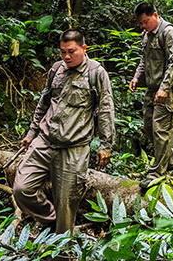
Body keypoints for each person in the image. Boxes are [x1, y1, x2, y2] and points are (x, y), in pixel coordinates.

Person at [13, 30, 115, 235]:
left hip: (74, 148)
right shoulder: (56, 70)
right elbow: (43, 103)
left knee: (66, 202)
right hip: (45, 140)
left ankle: (61, 247)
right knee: (21, 189)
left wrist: (106, 145)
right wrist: (31, 133)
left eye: (71, 51)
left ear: (83, 49)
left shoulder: (96, 73)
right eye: (62, 52)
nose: (67, 56)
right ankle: (49, 221)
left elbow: (106, 109)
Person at [128, 2, 173, 180]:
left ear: (155, 15)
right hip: (152, 89)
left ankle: (158, 172)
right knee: (149, 127)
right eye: (141, 23)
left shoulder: (168, 32)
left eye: (145, 21)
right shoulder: (147, 35)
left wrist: (165, 88)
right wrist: (137, 77)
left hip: (167, 90)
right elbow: (144, 60)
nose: (143, 26)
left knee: (161, 130)